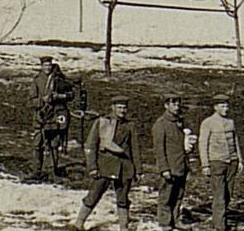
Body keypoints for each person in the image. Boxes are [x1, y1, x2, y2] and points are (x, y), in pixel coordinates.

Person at [74, 97, 140, 231]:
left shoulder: (130, 125)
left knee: (123, 199)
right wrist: (92, 167)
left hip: (124, 167)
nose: (122, 111)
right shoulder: (102, 122)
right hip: (104, 166)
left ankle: (123, 227)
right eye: (120, 107)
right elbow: (91, 146)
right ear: (113, 107)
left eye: (125, 108)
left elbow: (135, 148)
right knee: (93, 195)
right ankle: (78, 223)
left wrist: (138, 169)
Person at [199, 94, 244, 231]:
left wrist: (239, 160)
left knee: (228, 194)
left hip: (232, 162)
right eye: (223, 106)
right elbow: (203, 144)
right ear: (215, 107)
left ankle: (222, 220)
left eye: (227, 105)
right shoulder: (208, 123)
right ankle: (220, 226)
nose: (226, 108)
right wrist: (205, 164)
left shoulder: (230, 122)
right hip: (216, 162)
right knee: (219, 195)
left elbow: (235, 141)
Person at [29, 55, 75, 179]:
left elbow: (71, 94)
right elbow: (31, 100)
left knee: (54, 144)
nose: (48, 67)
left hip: (55, 116)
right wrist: (42, 101)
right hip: (41, 117)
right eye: (45, 65)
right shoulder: (37, 80)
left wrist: (59, 96)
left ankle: (53, 170)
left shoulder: (59, 79)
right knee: (38, 144)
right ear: (41, 66)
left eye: (49, 65)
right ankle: (36, 171)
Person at [151, 94, 189, 230]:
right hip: (169, 167)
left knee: (178, 195)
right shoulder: (160, 124)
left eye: (178, 104)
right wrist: (164, 169)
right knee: (166, 196)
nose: (176, 107)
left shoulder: (179, 121)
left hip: (181, 165)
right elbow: (159, 150)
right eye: (173, 104)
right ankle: (165, 222)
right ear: (166, 106)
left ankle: (176, 219)